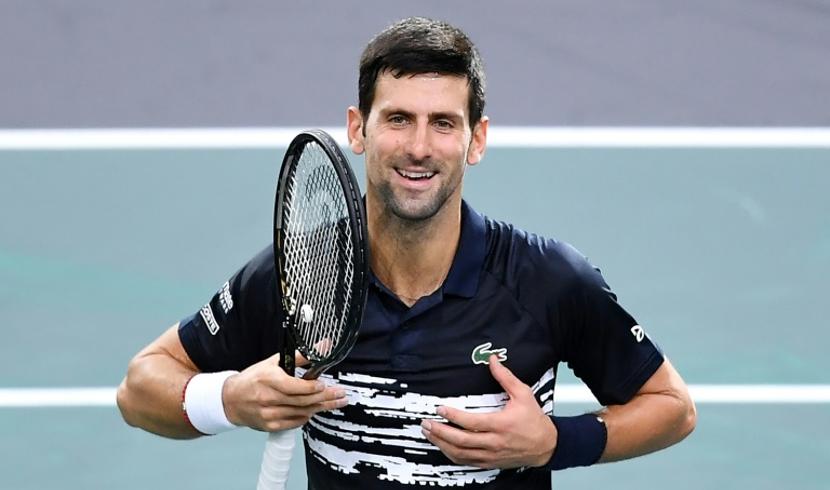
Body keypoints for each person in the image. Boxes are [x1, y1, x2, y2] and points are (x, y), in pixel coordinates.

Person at [117, 16, 696, 489]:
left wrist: (556, 443)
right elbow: (141, 388)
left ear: (476, 140)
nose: (419, 148)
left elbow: (671, 406)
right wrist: (232, 398)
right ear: (358, 128)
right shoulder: (303, 274)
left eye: (443, 123)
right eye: (398, 119)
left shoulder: (545, 280)